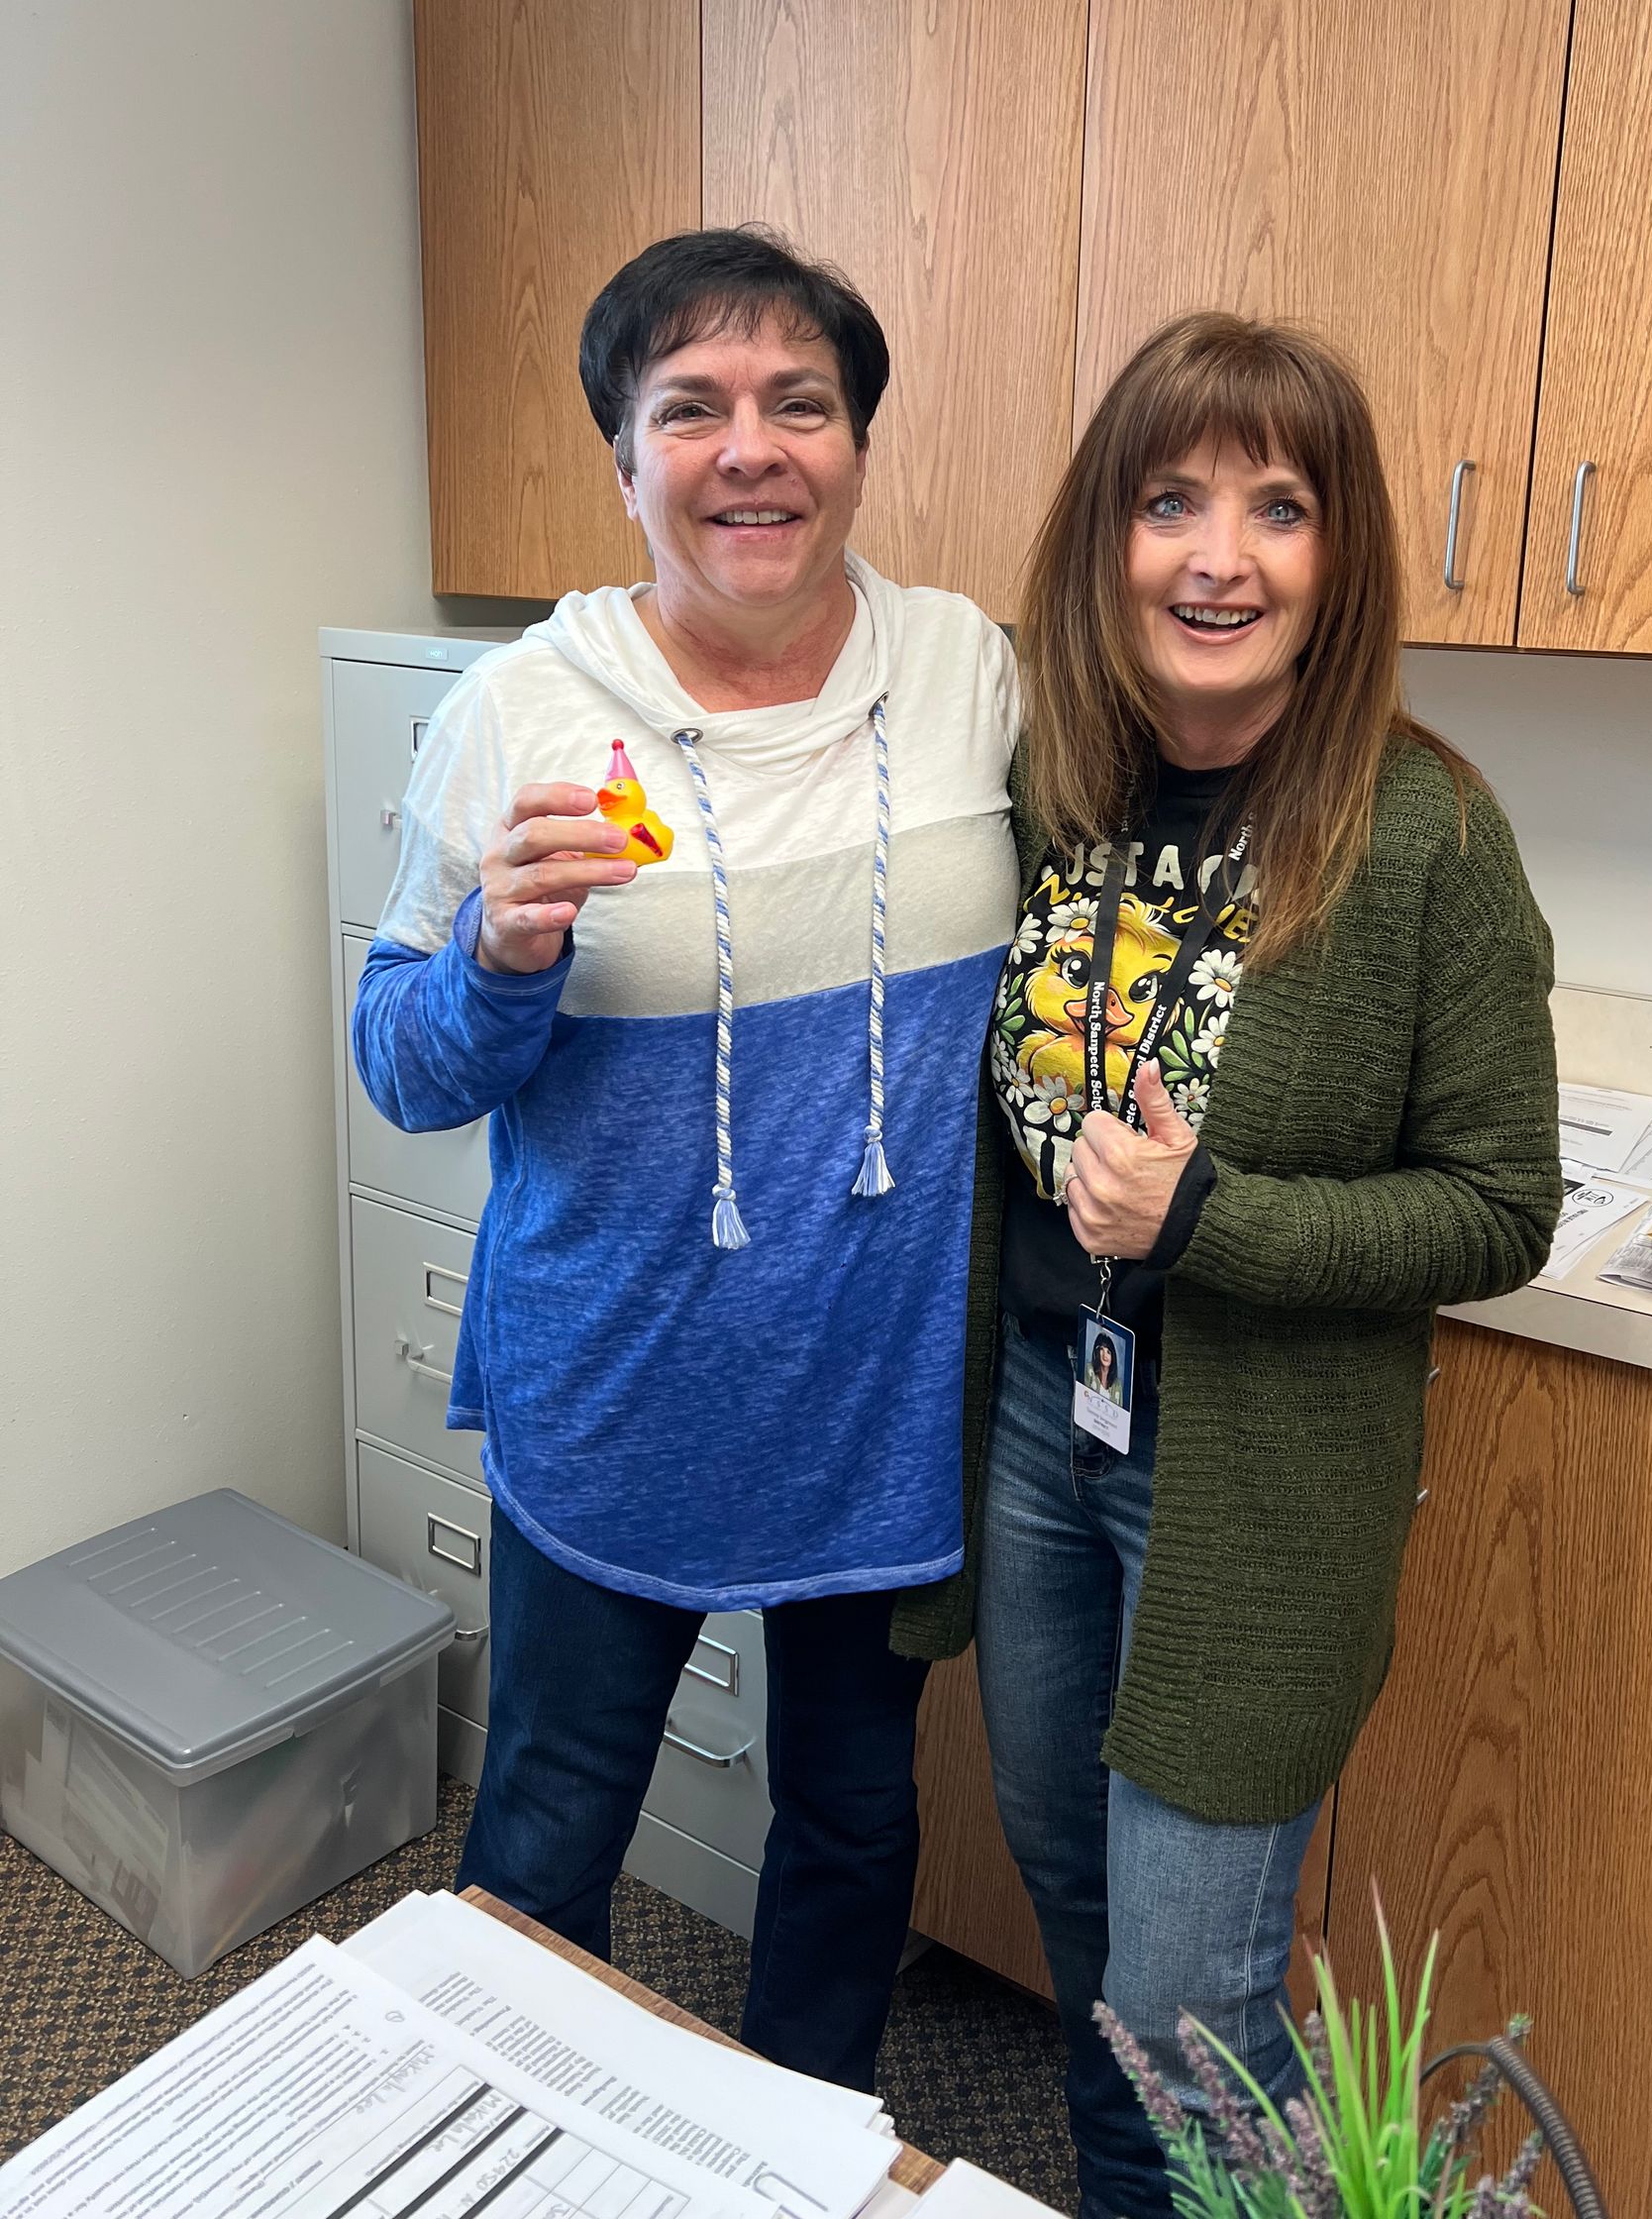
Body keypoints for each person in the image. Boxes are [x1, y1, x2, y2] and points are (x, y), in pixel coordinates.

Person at [894, 313, 1561, 2219]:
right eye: (1173, 498)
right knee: (1080, 1916)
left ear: (1336, 557)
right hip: (1043, 1427)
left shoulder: (1424, 835)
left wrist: (1215, 1223)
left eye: (1281, 507)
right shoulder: (1057, 790)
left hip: (1251, 1484)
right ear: (1107, 534)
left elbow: (1500, 1206)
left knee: (1197, 2003)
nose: (1221, 554)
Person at [353, 227, 1019, 2089]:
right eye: (692, 408)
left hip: (873, 1397)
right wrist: (498, 962)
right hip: (619, 1380)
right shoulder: (519, 716)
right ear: (623, 458)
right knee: (554, 1826)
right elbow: (398, 1067)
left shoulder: (969, 671)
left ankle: (800, 2146)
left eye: (799, 402)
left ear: (858, 447)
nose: (752, 448)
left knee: (852, 1831)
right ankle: (516, 2147)